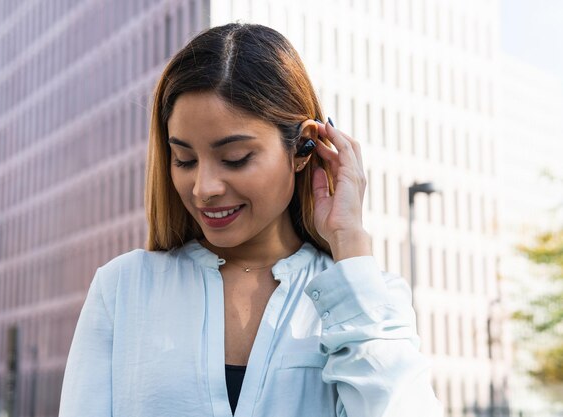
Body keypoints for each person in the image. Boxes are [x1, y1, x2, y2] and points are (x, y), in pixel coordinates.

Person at [58, 23, 443, 417]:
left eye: (236, 157)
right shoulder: (121, 289)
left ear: (303, 149)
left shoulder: (367, 297)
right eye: (184, 160)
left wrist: (349, 240)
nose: (203, 188)